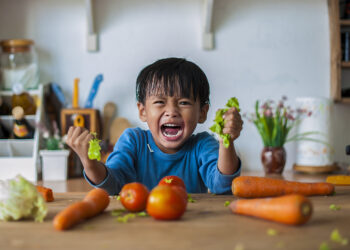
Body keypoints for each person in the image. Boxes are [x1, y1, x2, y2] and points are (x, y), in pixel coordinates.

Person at [66, 57, 243, 195]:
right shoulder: (133, 142)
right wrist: (88, 162)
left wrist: (226, 141)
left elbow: (222, 186)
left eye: (183, 102)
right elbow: (111, 186)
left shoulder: (203, 145)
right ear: (142, 111)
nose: (171, 111)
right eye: (160, 102)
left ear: (202, 113)